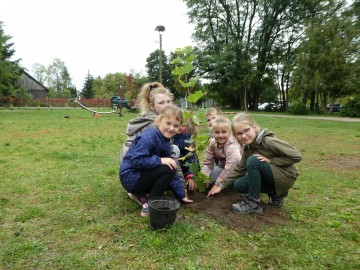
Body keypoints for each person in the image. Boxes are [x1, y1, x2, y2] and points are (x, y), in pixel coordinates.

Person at [207, 112, 302, 214]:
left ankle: (253, 203)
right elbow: (239, 169)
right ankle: (276, 193)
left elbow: (296, 156)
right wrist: (220, 186)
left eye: (246, 130)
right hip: (273, 176)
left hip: (285, 176)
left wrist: (271, 161)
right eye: (239, 133)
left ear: (254, 127)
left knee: (253, 161)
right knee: (239, 185)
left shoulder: (268, 141)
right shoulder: (248, 147)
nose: (243, 136)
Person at [120, 105, 193, 216]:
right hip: (130, 177)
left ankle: (139, 193)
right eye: (168, 123)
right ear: (159, 121)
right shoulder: (149, 137)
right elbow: (136, 161)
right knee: (168, 169)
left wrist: (181, 194)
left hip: (140, 176)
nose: (172, 128)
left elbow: (172, 171)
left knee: (168, 174)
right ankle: (150, 206)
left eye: (176, 125)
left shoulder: (165, 140)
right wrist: (160, 160)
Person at [119, 82, 172, 165]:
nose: (167, 106)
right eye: (161, 103)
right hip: (134, 164)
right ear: (151, 106)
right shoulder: (154, 125)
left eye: (168, 102)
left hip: (134, 160)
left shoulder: (147, 117)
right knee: (174, 150)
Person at [201, 115, 242, 189]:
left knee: (235, 185)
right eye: (217, 132)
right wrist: (205, 177)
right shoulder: (213, 142)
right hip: (223, 167)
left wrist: (218, 185)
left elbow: (230, 168)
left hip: (238, 170)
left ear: (230, 132)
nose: (220, 135)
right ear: (212, 133)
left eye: (224, 132)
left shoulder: (232, 146)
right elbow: (207, 162)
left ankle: (231, 185)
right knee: (211, 179)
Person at [173, 119, 200, 191]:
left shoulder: (188, 141)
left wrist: (190, 175)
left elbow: (191, 158)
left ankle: (188, 178)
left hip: (185, 168)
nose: (179, 127)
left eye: (183, 126)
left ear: (188, 127)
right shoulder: (171, 136)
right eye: (177, 124)